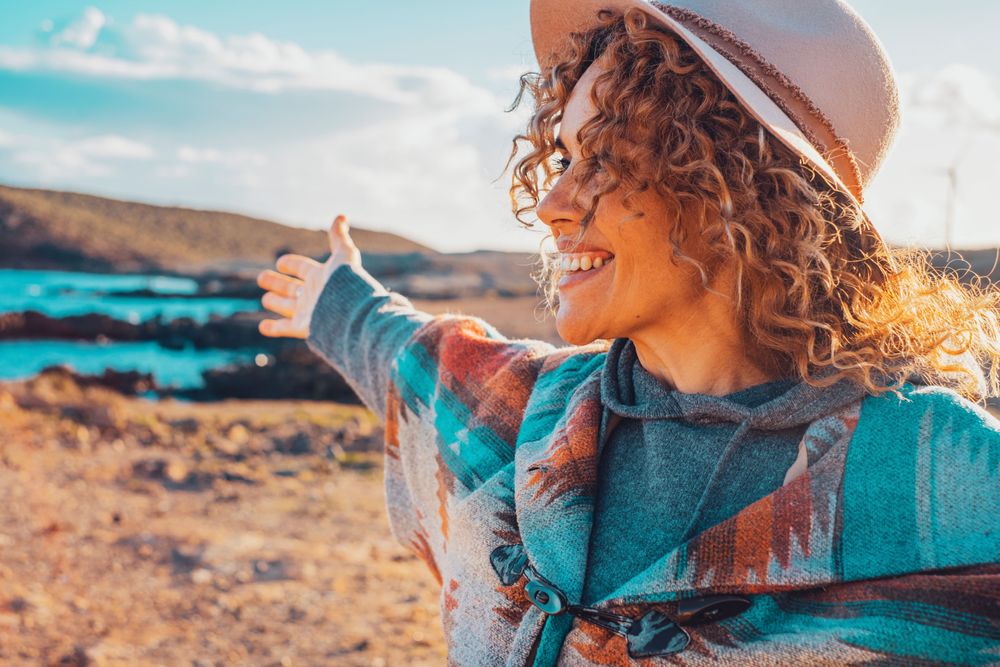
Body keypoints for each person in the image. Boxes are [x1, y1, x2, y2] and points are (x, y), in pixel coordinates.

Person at [257, 1, 1000, 664]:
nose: (549, 202)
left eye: (604, 155)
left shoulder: (952, 494)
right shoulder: (528, 414)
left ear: (740, 184)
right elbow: (413, 358)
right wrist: (336, 298)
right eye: (565, 155)